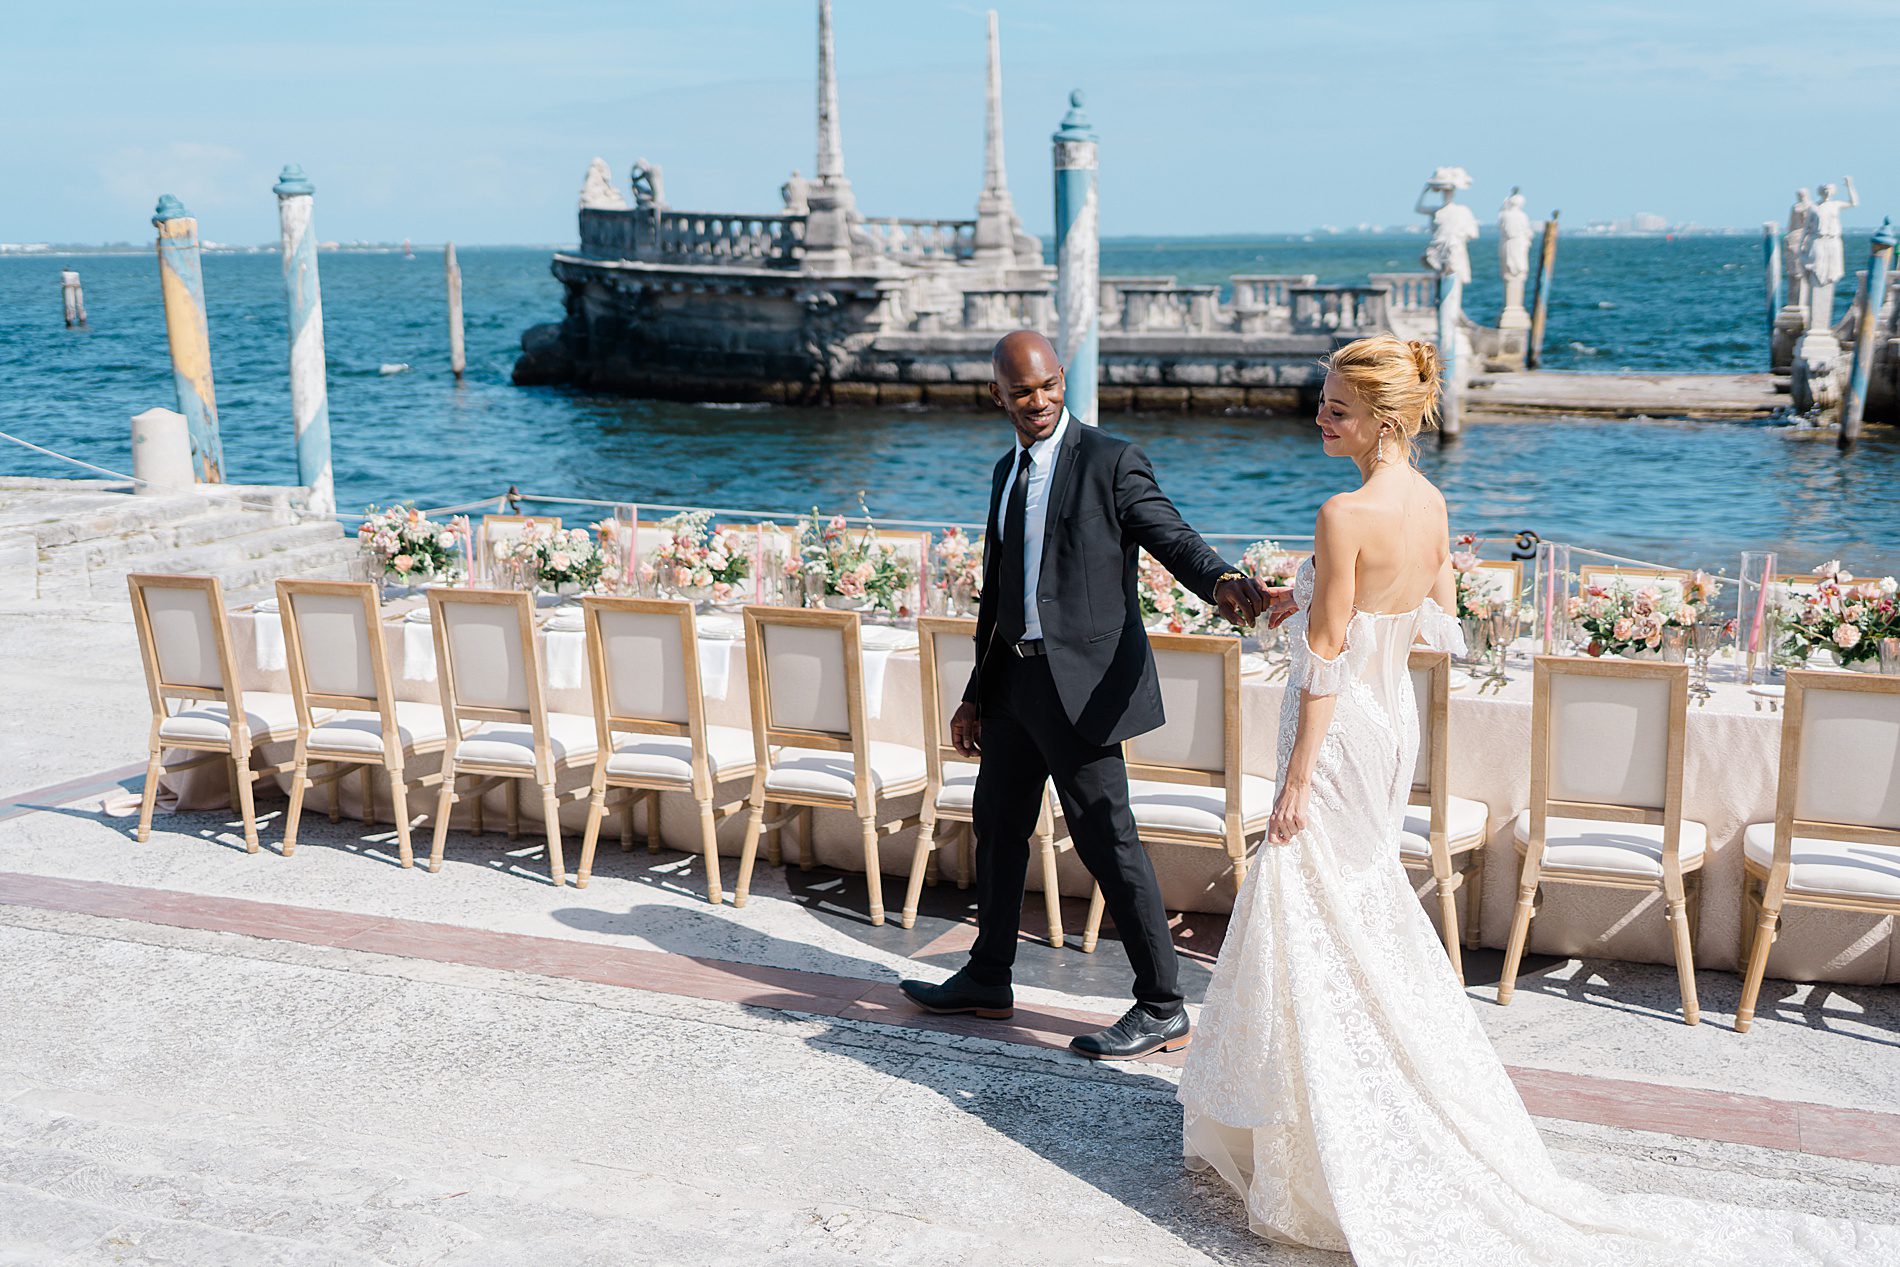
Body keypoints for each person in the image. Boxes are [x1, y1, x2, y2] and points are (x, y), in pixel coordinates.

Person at [1177, 333, 1899, 1264]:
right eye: (1323, 400)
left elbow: (1322, 667)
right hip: (1390, 724)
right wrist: (1302, 597)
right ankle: (1361, 1091)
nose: (1321, 416)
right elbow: (1424, 621)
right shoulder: (1430, 504)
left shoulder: (1342, 511)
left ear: (1384, 420)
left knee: (1316, 899)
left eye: (1337, 408)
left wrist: (1296, 782)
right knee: (1353, 904)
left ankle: (1334, 1115)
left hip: (1340, 733)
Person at [900, 331, 1273, 1061]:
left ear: (1061, 380)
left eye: (1048, 386)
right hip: (1013, 683)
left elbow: (1171, 535)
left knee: (1109, 840)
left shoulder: (1110, 459)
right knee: (997, 828)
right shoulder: (1007, 471)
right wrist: (976, 692)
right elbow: (999, 594)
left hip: (1083, 690)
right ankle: (988, 975)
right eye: (1023, 391)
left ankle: (1163, 1002)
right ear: (997, 395)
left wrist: (1223, 581)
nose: (1038, 401)